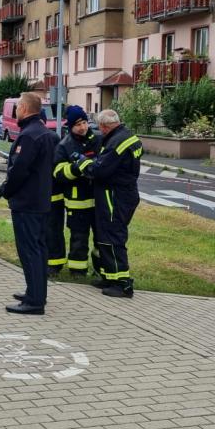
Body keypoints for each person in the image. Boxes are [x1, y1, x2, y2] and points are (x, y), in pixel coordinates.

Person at [0, 92, 57, 316]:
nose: (16, 110)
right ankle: (36, 291)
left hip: (27, 202)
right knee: (39, 249)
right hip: (40, 200)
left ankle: (34, 300)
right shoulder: (45, 133)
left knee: (30, 250)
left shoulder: (29, 136)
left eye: (18, 106)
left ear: (23, 108)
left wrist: (6, 189)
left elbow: (19, 170)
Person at [71, 109, 141, 298]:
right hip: (121, 194)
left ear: (103, 126)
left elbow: (100, 170)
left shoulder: (117, 143)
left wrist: (82, 162)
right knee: (105, 237)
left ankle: (122, 283)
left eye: (99, 128)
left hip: (115, 196)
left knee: (112, 238)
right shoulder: (125, 137)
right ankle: (109, 277)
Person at [53, 106, 101, 277]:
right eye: (77, 124)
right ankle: (77, 271)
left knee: (101, 239)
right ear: (70, 126)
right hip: (77, 200)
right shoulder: (64, 145)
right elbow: (58, 173)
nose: (82, 127)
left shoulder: (98, 139)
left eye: (84, 122)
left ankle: (101, 269)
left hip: (99, 199)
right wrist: (76, 168)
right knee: (79, 238)